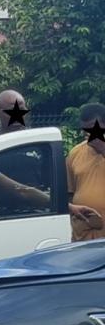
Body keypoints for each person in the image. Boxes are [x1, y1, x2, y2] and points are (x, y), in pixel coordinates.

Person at [67, 103, 105, 242]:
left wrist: (102, 148)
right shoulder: (75, 153)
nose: (88, 133)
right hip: (82, 237)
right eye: (85, 129)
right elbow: (69, 194)